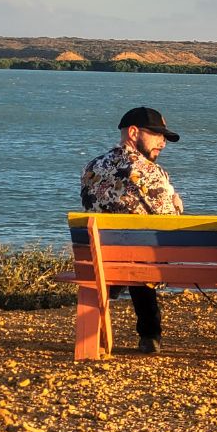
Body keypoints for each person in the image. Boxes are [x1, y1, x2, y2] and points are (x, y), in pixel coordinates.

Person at [80, 106, 184, 354]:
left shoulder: (91, 167)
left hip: (103, 259)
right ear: (134, 132)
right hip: (142, 260)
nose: (163, 143)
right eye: (157, 135)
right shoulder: (150, 172)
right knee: (142, 256)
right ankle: (150, 335)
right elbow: (170, 222)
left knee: (131, 252)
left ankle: (114, 298)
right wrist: (177, 202)